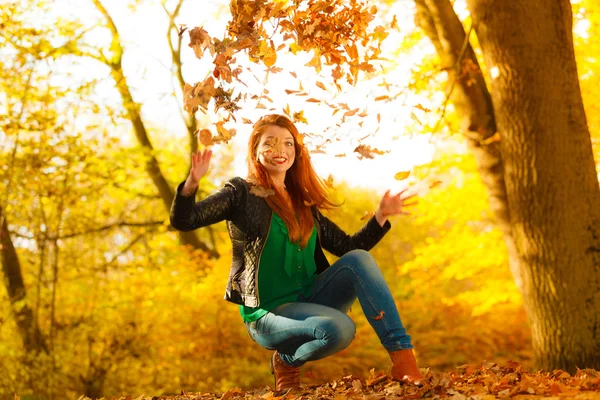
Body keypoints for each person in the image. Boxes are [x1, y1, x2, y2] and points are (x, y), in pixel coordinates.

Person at [170, 114, 424, 392]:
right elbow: (185, 221)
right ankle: (286, 361)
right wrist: (191, 184)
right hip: (267, 313)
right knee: (340, 330)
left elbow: (350, 249)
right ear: (255, 149)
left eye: (288, 144)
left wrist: (380, 216)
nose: (281, 151)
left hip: (310, 297)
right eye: (271, 143)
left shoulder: (303, 202)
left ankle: (403, 358)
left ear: (296, 151)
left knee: (358, 261)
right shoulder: (241, 193)